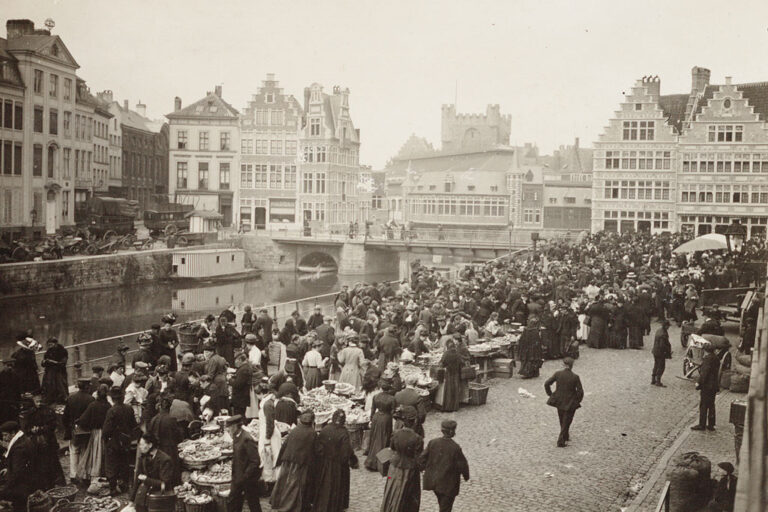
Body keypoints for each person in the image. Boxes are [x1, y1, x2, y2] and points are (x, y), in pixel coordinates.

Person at [270, 410, 317, 512]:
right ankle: (290, 506)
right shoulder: (312, 432)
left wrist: (279, 461)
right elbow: (314, 450)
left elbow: (285, 445)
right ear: (311, 421)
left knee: (284, 482)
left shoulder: (295, 430)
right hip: (300, 463)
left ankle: (279, 502)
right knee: (296, 485)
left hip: (287, 460)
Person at [419, 420, 470, 512]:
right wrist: (466, 476)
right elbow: (462, 464)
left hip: (434, 482)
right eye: (454, 430)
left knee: (442, 504)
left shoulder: (433, 442)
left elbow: (422, 458)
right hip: (448, 484)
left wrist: (422, 469)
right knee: (446, 508)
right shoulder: (455, 447)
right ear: (451, 432)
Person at [380, 405, 424, 512]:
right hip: (410, 469)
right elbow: (418, 458)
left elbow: (392, 449)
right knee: (408, 495)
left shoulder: (395, 434)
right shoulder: (417, 438)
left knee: (392, 490)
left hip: (394, 467)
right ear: (414, 421)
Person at [312, 410, 355, 512]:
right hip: (338, 465)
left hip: (325, 462)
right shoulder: (343, 432)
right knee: (337, 485)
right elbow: (346, 451)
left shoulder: (325, 429)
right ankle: (336, 505)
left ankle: (322, 503)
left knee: (324, 483)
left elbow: (318, 446)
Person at [102, 387, 137, 496]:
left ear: (112, 399)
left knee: (111, 464)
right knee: (124, 463)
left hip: (113, 441)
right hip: (126, 441)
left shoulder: (112, 411)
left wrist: (105, 438)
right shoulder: (129, 408)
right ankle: (124, 485)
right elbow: (134, 425)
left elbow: (106, 430)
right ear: (122, 397)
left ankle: (113, 488)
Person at [544, 357, 584, 447]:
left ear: (563, 365)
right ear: (571, 366)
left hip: (559, 400)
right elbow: (580, 391)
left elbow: (547, 383)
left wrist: (550, 394)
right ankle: (561, 441)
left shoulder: (558, 374)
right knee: (567, 420)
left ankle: (565, 435)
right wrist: (577, 400)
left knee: (562, 418)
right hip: (570, 401)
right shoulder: (575, 377)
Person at [225, 415, 262, 512]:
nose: (228, 431)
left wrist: (245, 476)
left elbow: (255, 461)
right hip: (238, 477)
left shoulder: (247, 439)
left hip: (248, 479)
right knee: (233, 502)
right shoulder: (236, 436)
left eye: (228, 428)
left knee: (253, 503)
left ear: (234, 427)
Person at [130, 433, 174, 512]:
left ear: (150, 445)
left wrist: (146, 479)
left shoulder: (165, 460)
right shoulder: (143, 457)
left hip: (157, 498)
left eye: (142, 444)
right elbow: (137, 481)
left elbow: (164, 483)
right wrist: (131, 499)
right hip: (142, 497)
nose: (140, 447)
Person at [76, 384, 111, 483]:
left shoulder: (93, 405)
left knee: (94, 453)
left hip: (95, 432)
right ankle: (103, 474)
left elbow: (83, 419)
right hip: (105, 432)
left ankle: (93, 475)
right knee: (103, 453)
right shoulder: (108, 406)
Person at [63, 377, 94, 485]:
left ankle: (73, 475)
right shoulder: (91, 399)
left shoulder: (71, 398)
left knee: (73, 451)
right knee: (85, 452)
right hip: (86, 430)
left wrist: (68, 426)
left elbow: (65, 416)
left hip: (74, 429)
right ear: (86, 386)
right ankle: (85, 475)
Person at [0, 421, 36, 512]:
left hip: (23, 486)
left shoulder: (18, 448)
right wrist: (8, 469)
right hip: (29, 480)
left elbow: (17, 473)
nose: (4, 438)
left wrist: (4, 490)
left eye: (5, 435)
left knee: (19, 507)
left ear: (13, 433)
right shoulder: (23, 439)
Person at [148, 394, 182, 485]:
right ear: (169, 407)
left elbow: (149, 435)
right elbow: (178, 437)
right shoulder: (172, 420)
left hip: (158, 450)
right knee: (172, 471)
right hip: (170, 449)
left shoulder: (154, 419)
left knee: (160, 471)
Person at [364, 380, 395, 471]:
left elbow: (373, 410)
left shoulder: (376, 396)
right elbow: (393, 412)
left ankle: (371, 459)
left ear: (381, 388)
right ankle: (381, 462)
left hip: (376, 418)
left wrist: (371, 420)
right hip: (386, 418)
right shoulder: (392, 398)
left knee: (374, 437)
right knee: (384, 438)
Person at [692, 343, 719, 431]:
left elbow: (704, 374)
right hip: (714, 385)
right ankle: (711, 425)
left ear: (705, 351)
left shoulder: (707, 359)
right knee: (711, 404)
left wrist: (699, 384)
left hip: (707, 386)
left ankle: (702, 424)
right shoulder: (716, 358)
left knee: (703, 405)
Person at [41, 337, 68, 404]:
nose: (50, 346)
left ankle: (62, 399)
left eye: (51, 344)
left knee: (60, 386)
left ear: (56, 344)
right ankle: (50, 399)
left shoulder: (63, 351)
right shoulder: (48, 351)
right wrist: (44, 362)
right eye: (49, 345)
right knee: (48, 386)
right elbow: (44, 362)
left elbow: (63, 364)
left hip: (59, 372)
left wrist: (52, 362)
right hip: (50, 372)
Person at [439, 339, 463, 412]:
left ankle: (448, 407)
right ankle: (455, 407)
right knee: (455, 389)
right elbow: (461, 362)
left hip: (449, 373)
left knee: (448, 390)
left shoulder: (446, 353)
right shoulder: (457, 353)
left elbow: (441, 364)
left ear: (447, 346)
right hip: (456, 373)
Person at [230, 353, 252, 417]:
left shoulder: (243, 369)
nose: (235, 362)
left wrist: (230, 380)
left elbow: (238, 384)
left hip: (240, 399)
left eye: (236, 360)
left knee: (239, 416)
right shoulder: (246, 367)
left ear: (240, 359)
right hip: (242, 398)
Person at [652, 320, 672, 387]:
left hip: (655, 351)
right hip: (660, 353)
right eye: (668, 326)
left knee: (656, 365)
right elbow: (662, 345)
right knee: (661, 367)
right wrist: (667, 352)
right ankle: (658, 381)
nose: (668, 327)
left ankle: (653, 379)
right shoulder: (664, 334)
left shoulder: (659, 330)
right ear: (666, 326)